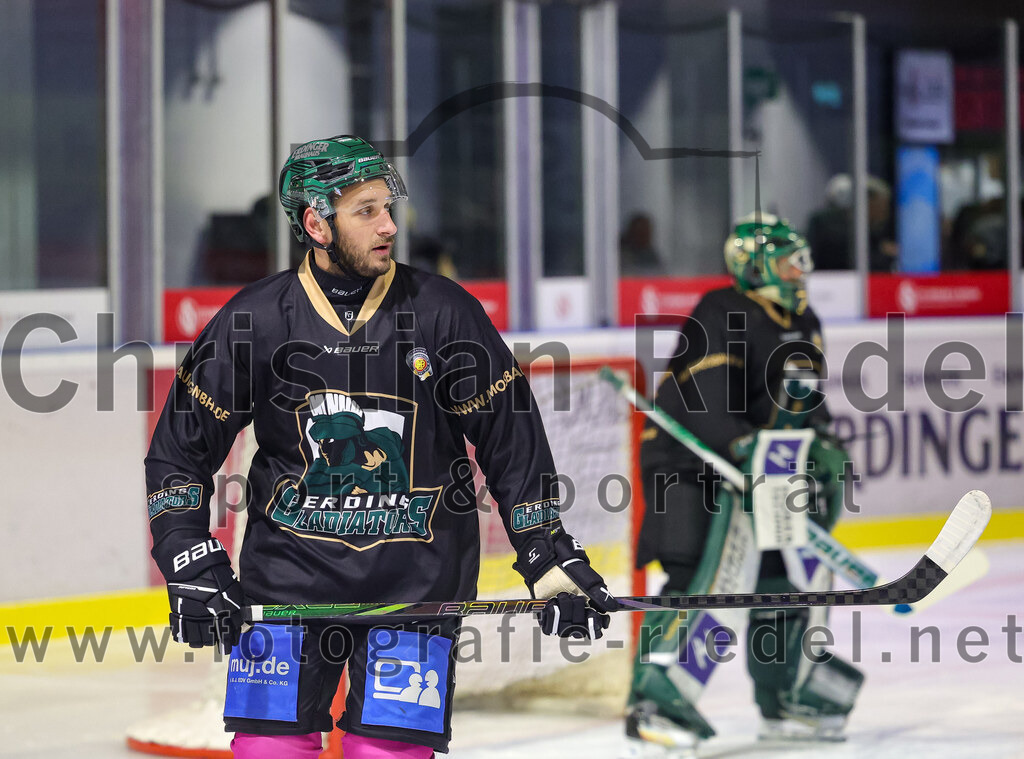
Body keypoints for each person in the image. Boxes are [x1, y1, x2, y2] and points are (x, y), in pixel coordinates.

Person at [146, 134, 619, 759]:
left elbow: (512, 442)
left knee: (384, 754)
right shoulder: (255, 320)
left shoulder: (443, 312)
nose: (388, 225)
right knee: (269, 751)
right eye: (365, 210)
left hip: (416, 589)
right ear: (316, 223)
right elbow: (180, 451)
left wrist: (545, 551)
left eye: (387, 207)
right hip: (286, 586)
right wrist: (190, 556)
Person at [624, 213, 864, 757]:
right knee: (699, 581)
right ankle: (654, 704)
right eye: (786, 261)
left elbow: (803, 403)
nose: (799, 272)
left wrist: (820, 443)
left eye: (801, 261)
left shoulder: (806, 322)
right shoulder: (722, 310)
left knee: (781, 582)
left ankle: (783, 698)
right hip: (687, 467)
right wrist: (742, 447)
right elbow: (707, 401)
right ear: (752, 265)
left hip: (757, 474)